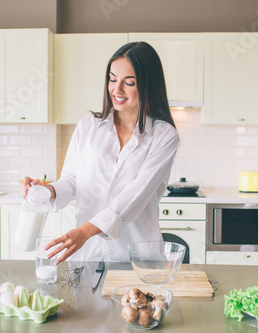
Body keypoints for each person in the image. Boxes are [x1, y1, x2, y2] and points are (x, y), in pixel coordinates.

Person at [21, 41, 179, 264]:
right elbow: (72, 180)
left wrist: (85, 231)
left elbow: (135, 195)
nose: (117, 89)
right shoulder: (88, 127)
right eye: (112, 79)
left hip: (138, 257)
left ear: (148, 85)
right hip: (89, 255)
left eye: (129, 82)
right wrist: (47, 190)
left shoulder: (163, 135)